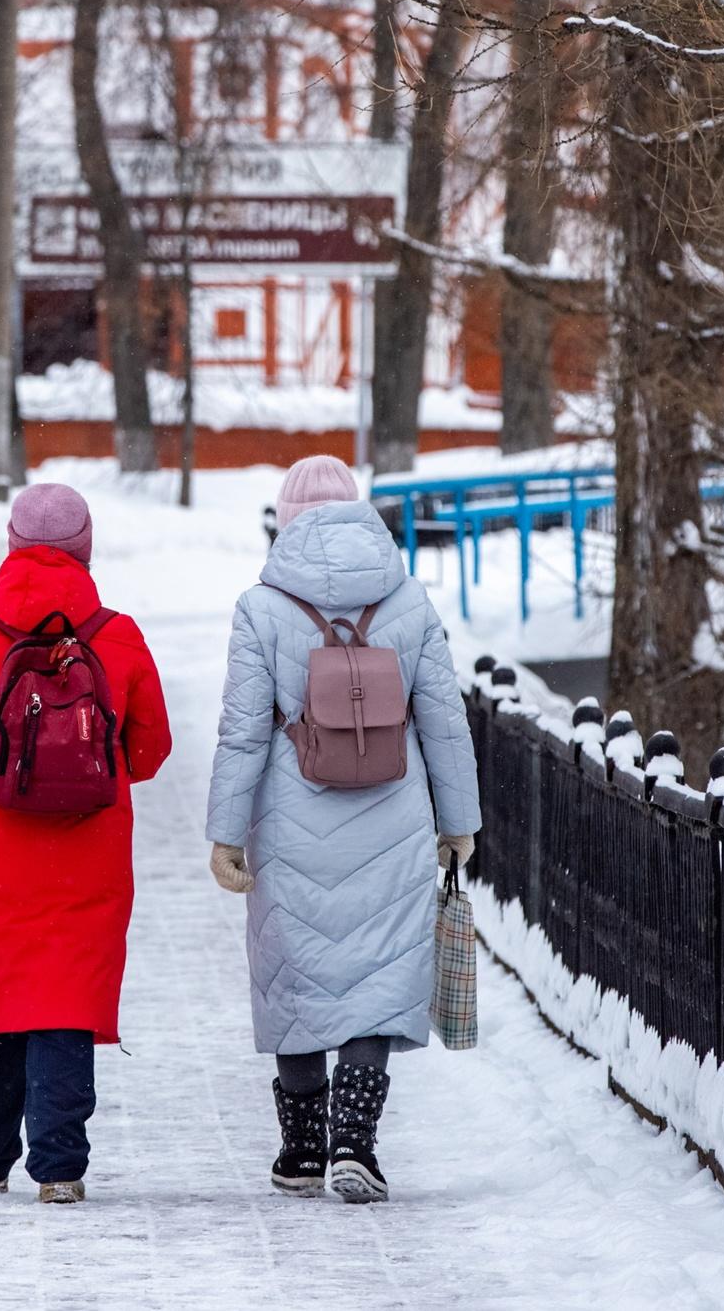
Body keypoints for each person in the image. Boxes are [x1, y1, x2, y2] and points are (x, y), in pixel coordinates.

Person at [207, 454, 480, 1203]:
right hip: (393, 812)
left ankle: (301, 1149)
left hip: (290, 816)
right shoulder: (410, 601)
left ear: (286, 519)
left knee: (296, 974)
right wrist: (460, 823)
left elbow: (240, 732)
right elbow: (445, 722)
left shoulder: (261, 608)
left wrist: (225, 834)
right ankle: (355, 1144)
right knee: (376, 972)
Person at [0, 483, 172, 1205]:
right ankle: (60, 1167)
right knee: (65, 1002)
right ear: (85, 550)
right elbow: (149, 751)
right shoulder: (118, 633)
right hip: (86, 852)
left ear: (12, 547)